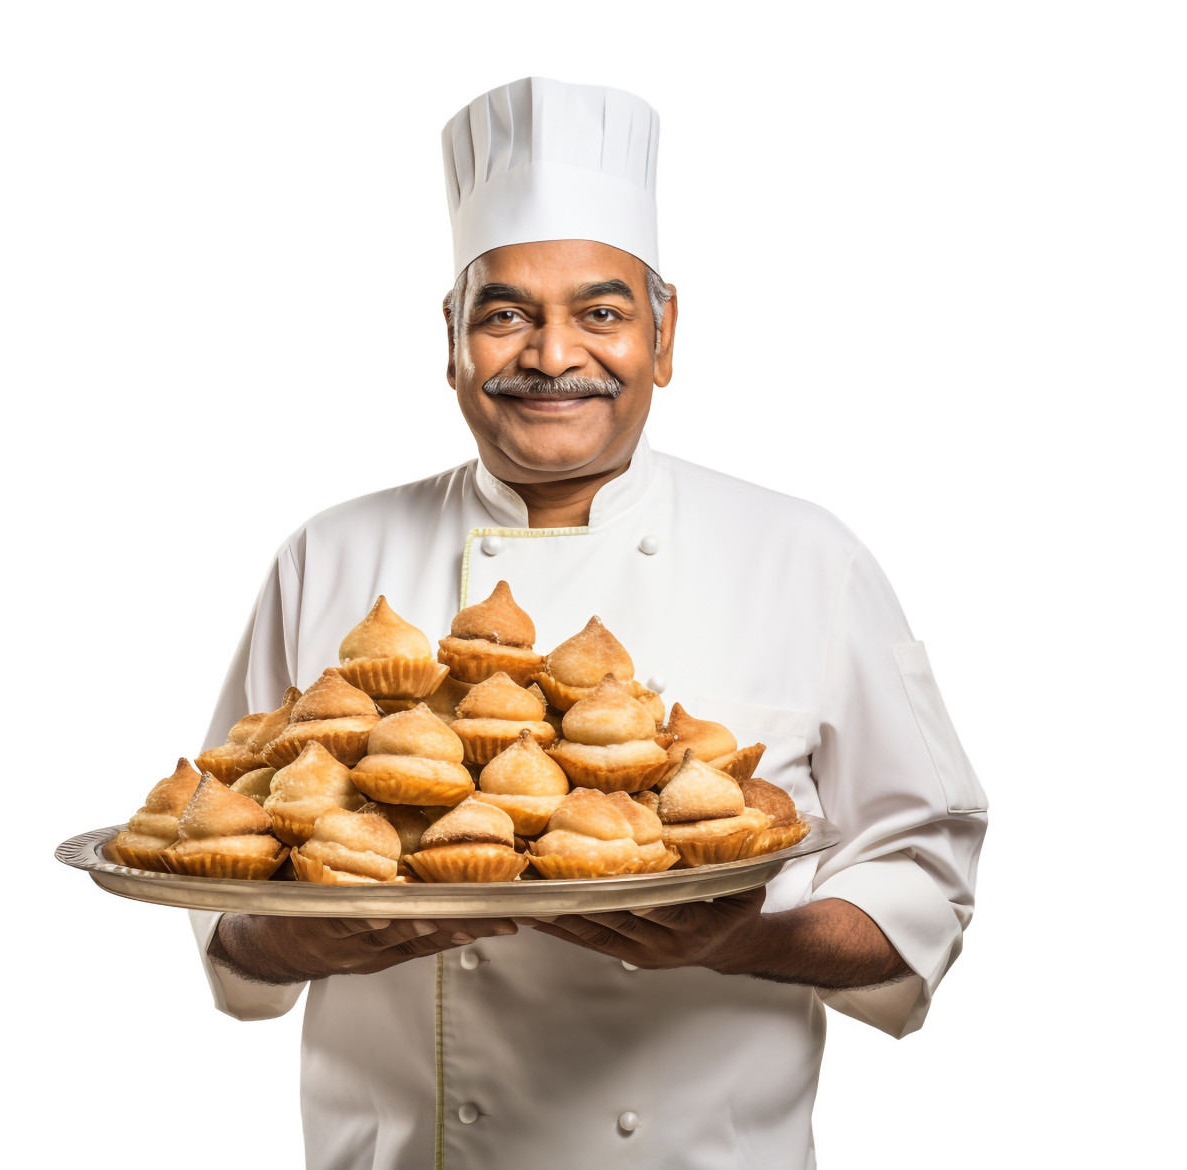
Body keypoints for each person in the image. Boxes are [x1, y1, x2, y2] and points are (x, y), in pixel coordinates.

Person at [191, 77, 988, 1169]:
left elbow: (923, 874)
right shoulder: (328, 558)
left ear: (663, 336)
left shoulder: (805, 558)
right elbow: (221, 870)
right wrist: (299, 933)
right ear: (452, 338)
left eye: (600, 312)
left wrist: (744, 939)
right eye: (505, 311)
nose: (551, 354)